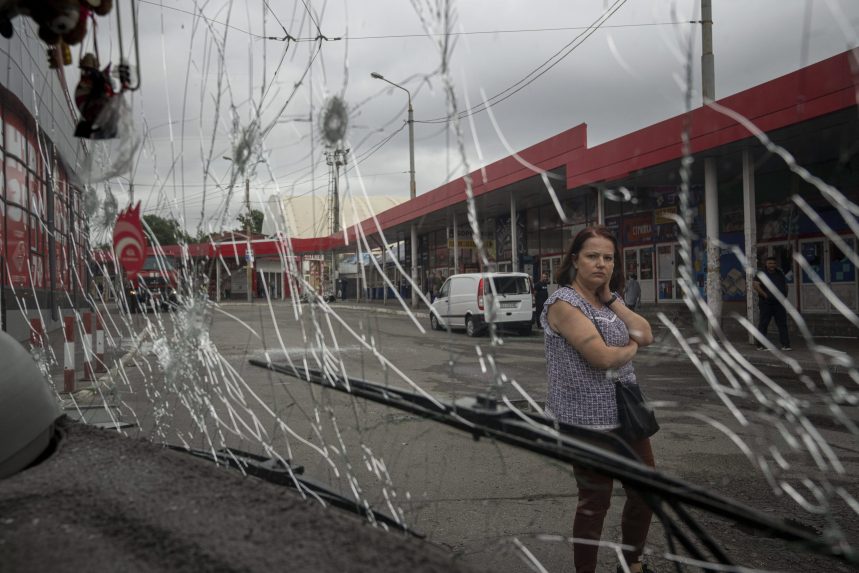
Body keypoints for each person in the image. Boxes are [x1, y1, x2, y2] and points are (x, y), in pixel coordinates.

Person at [541, 226, 656, 573]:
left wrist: (610, 298)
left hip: (626, 412)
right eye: (592, 256)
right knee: (595, 501)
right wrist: (632, 348)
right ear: (575, 260)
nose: (601, 264)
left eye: (608, 258)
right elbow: (602, 358)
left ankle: (631, 563)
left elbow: (646, 332)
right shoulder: (562, 303)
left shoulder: (608, 299)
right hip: (583, 419)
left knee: (646, 489)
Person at [753, 256, 792, 351]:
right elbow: (755, 285)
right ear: (766, 264)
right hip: (766, 303)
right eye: (770, 263)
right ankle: (760, 345)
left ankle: (786, 345)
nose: (772, 265)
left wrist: (785, 295)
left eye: (774, 263)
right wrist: (765, 295)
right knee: (764, 323)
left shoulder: (779, 273)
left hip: (779, 302)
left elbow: (785, 285)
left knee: (782, 324)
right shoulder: (761, 273)